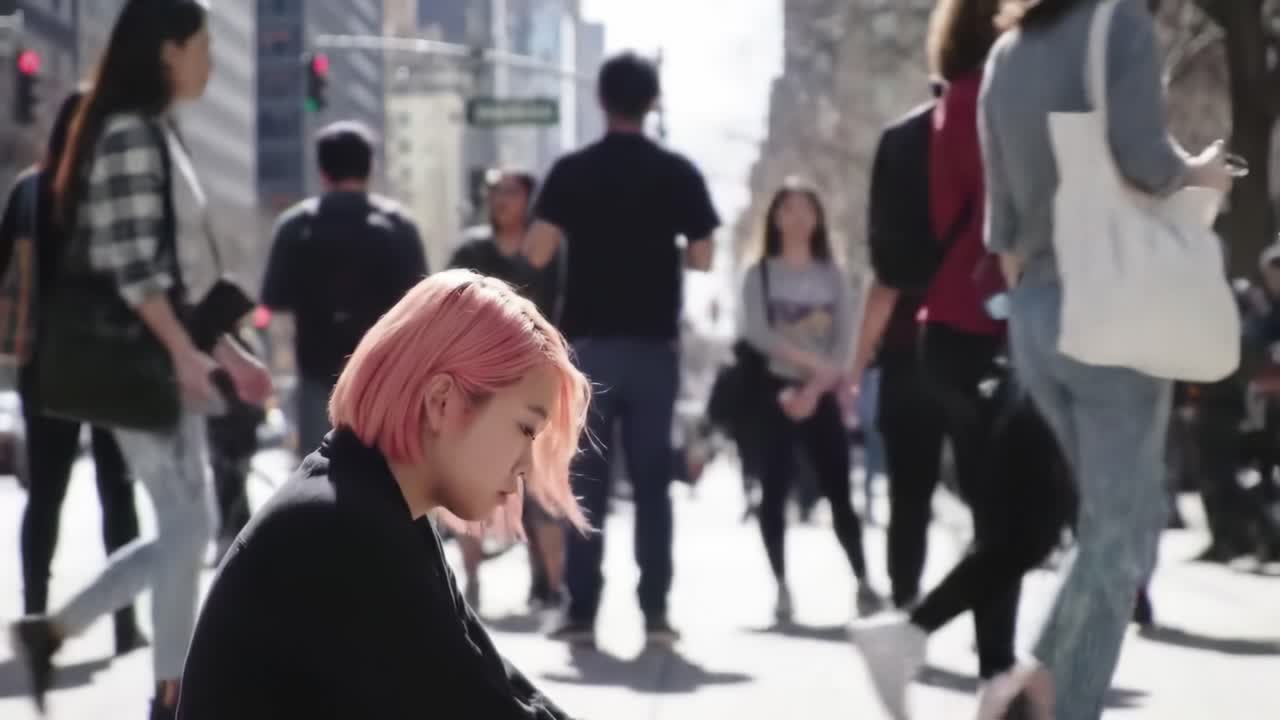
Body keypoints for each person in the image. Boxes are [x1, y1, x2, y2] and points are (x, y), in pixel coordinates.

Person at [8, 2, 274, 718]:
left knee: (189, 528)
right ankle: (169, 696)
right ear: (166, 51)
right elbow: (133, 270)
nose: (210, 61)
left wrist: (228, 353)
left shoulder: (160, 132)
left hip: (159, 356)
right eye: (202, 46)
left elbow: (178, 275)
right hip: (135, 362)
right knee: (189, 528)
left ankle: (67, 637)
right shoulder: (129, 132)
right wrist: (187, 354)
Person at [176, 269, 588, 720]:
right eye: (525, 428)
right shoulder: (345, 529)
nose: (528, 464)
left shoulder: (376, 505)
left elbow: (492, 683)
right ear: (442, 401)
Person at [978, 0, 1234, 716]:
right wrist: (1205, 176)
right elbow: (1144, 159)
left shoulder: (1006, 51)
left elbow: (1002, 222)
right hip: (1110, 310)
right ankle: (1031, 691)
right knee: (1117, 539)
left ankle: (1043, 695)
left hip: (1036, 316)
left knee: (1105, 530)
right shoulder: (1114, 20)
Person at [525, 51, 719, 646]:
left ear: (601, 102)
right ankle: (655, 613)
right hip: (654, 348)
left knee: (587, 480)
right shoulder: (677, 170)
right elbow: (704, 256)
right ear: (653, 101)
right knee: (654, 482)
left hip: (588, 347)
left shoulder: (573, 169)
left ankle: (582, 610)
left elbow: (535, 251)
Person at [0, 90, 146, 657]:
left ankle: (36, 611)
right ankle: (125, 624)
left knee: (46, 498)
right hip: (111, 370)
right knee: (119, 496)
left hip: (46, 367)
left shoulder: (29, 193)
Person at [739, 178, 877, 622]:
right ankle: (780, 585)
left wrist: (817, 386)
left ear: (818, 218)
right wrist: (803, 366)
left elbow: (845, 343)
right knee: (773, 492)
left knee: (839, 491)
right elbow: (758, 333)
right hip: (772, 396)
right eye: (788, 209)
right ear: (774, 216)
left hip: (821, 398)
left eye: (806, 209)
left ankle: (864, 581)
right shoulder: (758, 273)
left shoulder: (833, 276)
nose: (797, 218)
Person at [261, 120, 428, 456]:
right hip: (383, 372)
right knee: (386, 472)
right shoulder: (399, 225)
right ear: (370, 167)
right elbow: (422, 303)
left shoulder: (296, 225)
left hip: (315, 368)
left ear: (322, 171)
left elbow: (272, 298)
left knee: (318, 468)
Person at [448, 169, 566, 612]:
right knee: (468, 479)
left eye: (512, 192)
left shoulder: (552, 251)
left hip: (538, 380)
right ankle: (471, 581)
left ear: (529, 200)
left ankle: (552, 587)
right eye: (495, 192)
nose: (501, 200)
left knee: (541, 487)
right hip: (480, 380)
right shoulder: (470, 249)